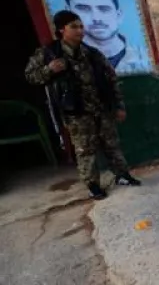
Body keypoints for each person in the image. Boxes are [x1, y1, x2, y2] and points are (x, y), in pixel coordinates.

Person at [25, 10, 141, 199]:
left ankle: (122, 175)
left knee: (112, 144)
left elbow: (111, 79)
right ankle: (93, 185)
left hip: (101, 108)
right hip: (76, 113)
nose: (80, 31)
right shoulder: (48, 53)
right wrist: (49, 70)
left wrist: (119, 106)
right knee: (85, 150)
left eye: (81, 26)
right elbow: (30, 76)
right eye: (74, 27)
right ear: (62, 30)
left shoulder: (93, 53)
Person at [62, 0, 144, 72]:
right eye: (84, 8)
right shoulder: (64, 59)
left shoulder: (143, 56)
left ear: (119, 15)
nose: (96, 18)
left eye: (104, 9)